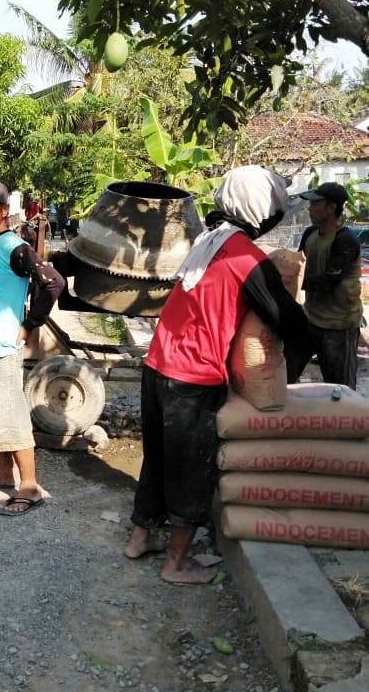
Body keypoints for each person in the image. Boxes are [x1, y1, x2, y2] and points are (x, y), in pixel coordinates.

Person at [125, 166, 308, 583]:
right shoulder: (246, 258)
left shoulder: (210, 241)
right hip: (191, 378)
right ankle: (176, 563)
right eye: (276, 207)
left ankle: (139, 538)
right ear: (262, 209)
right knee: (192, 469)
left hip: (157, 366)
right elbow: (288, 321)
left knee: (156, 458)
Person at [0, 179, 65, 515]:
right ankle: (5, 473)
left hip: (0, 345)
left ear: (4, 210)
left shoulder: (14, 247)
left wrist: (30, 324)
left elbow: (52, 282)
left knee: (10, 415)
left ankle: (30, 485)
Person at [285, 183, 362, 390]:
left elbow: (329, 281)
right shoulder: (310, 234)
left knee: (341, 387)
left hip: (339, 325)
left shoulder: (345, 240)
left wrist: (290, 282)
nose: (309, 208)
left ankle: (346, 420)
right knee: (285, 369)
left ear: (331, 207)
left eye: (315, 204)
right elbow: (298, 265)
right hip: (311, 318)